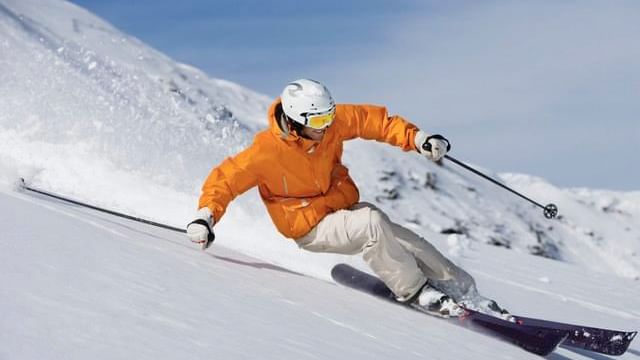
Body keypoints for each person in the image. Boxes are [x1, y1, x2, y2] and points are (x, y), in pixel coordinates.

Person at [186, 79, 505, 318]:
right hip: (307, 225)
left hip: (338, 206)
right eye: (319, 123)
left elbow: (376, 122)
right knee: (372, 224)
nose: (327, 128)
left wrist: (417, 139)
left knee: (406, 241)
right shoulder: (266, 152)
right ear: (296, 123)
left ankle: (465, 292)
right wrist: (205, 217)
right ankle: (416, 292)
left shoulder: (328, 125)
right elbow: (225, 179)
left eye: (329, 118)